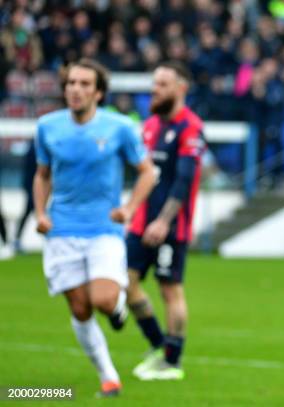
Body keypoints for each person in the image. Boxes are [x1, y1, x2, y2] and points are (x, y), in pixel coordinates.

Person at [34, 58, 157, 397]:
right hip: (62, 230)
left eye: (85, 84)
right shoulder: (47, 127)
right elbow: (42, 174)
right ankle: (109, 377)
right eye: (71, 83)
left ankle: (117, 311)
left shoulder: (119, 127)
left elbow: (147, 171)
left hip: (104, 228)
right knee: (79, 307)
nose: (76, 89)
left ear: (99, 92)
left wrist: (129, 207)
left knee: (102, 299)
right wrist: (40, 213)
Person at [125, 61, 206, 381]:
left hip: (171, 227)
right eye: (154, 83)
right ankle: (159, 344)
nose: (154, 90)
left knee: (170, 289)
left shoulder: (191, 127)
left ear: (180, 88)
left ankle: (172, 363)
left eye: (162, 84)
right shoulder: (149, 126)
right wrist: (131, 208)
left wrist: (163, 221)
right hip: (140, 222)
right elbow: (145, 176)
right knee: (124, 282)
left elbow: (183, 181)